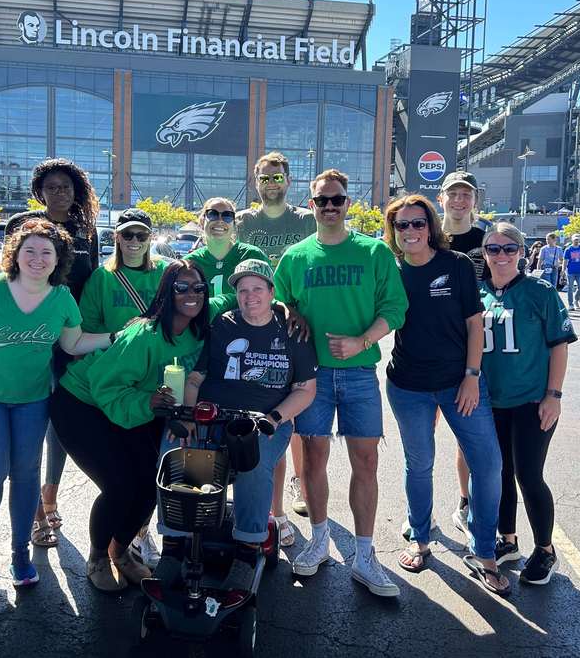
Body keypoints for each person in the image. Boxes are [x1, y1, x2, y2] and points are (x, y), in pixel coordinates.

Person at [0, 220, 111, 586]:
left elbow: (72, 344)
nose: (37, 258)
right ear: (15, 254)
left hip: (33, 400)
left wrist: (115, 336)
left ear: (57, 261)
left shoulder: (62, 298)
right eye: (29, 250)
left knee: (25, 476)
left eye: (46, 253)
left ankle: (20, 551)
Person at [273, 168, 408, 597]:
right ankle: (317, 541)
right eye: (322, 200)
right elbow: (278, 299)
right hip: (311, 377)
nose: (329, 206)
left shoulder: (374, 253)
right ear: (310, 205)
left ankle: (365, 556)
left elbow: (395, 308)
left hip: (360, 373)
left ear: (349, 203)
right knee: (313, 459)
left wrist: (363, 340)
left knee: (365, 461)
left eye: (337, 199)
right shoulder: (295, 257)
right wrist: (288, 311)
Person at [51, 260, 223, 592]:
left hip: (135, 403)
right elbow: (105, 386)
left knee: (150, 484)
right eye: (181, 287)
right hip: (83, 403)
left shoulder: (198, 326)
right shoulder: (144, 335)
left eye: (198, 288)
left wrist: (281, 307)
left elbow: (233, 298)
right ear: (166, 292)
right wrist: (148, 402)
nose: (192, 294)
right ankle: (98, 557)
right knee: (119, 486)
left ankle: (121, 551)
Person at [383, 195, 508, 596]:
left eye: (418, 223)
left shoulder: (455, 265)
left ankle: (484, 551)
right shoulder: (390, 268)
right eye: (402, 226)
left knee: (488, 464)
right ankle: (420, 537)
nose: (411, 232)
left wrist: (472, 376)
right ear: (393, 231)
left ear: (430, 226)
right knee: (419, 465)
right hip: (408, 385)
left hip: (460, 382)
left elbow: (475, 325)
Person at [172, 258, 317, 590]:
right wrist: (189, 415)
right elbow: (196, 377)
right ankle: (178, 542)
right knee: (186, 457)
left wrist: (274, 418)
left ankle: (248, 546)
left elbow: (306, 390)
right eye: (242, 290)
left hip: (265, 422)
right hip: (217, 415)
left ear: (271, 292)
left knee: (253, 464)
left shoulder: (293, 330)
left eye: (257, 289)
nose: (250, 297)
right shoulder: (223, 325)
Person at [6, 158, 100, 547]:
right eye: (52, 187)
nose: (59, 193)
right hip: (28, 336)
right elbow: (8, 278)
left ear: (76, 190)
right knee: (28, 421)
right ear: (39, 191)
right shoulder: (23, 225)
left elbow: (92, 281)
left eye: (66, 186)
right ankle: (33, 512)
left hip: (69, 337)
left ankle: (50, 495)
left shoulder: (86, 230)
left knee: (57, 425)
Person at [480, 222, 576, 586]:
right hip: (492, 402)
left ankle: (545, 549)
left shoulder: (541, 292)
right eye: (493, 248)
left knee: (528, 475)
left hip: (532, 400)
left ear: (522, 252)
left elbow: (559, 345)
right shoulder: (479, 293)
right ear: (485, 253)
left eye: (509, 248)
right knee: (499, 473)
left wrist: (554, 395)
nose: (501, 255)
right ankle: (508, 540)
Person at [77, 206, 169, 567]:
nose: (134, 242)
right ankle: (110, 547)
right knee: (124, 476)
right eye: (127, 235)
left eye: (141, 235)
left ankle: (138, 536)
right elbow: (86, 330)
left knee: (152, 470)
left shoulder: (165, 272)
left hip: (158, 385)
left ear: (151, 238)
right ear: (116, 237)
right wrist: (120, 338)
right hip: (115, 389)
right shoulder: (102, 278)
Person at [236, 151, 319, 535]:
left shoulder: (304, 220)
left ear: (288, 181)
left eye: (277, 178)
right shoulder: (243, 221)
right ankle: (272, 508)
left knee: (297, 414)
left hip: (294, 323)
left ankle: (298, 483)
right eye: (264, 178)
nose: (271, 183)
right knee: (269, 412)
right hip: (254, 323)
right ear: (256, 182)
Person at [437, 170, 487, 538]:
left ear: (474, 200)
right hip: (432, 344)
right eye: (452, 194)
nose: (459, 200)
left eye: (465, 195)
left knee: (467, 431)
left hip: (473, 343)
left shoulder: (488, 240)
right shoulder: (427, 235)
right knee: (424, 432)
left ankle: (465, 500)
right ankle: (418, 512)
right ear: (442, 198)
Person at [185, 197, 268, 297]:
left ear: (234, 224)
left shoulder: (252, 256)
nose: (220, 220)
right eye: (212, 214)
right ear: (202, 221)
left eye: (227, 216)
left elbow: (269, 297)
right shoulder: (190, 263)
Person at [563, 234, 580, 310]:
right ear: (572, 240)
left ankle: (576, 300)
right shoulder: (568, 249)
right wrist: (563, 270)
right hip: (570, 271)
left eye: (577, 239)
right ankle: (570, 304)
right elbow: (565, 260)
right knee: (570, 288)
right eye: (575, 240)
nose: (576, 241)